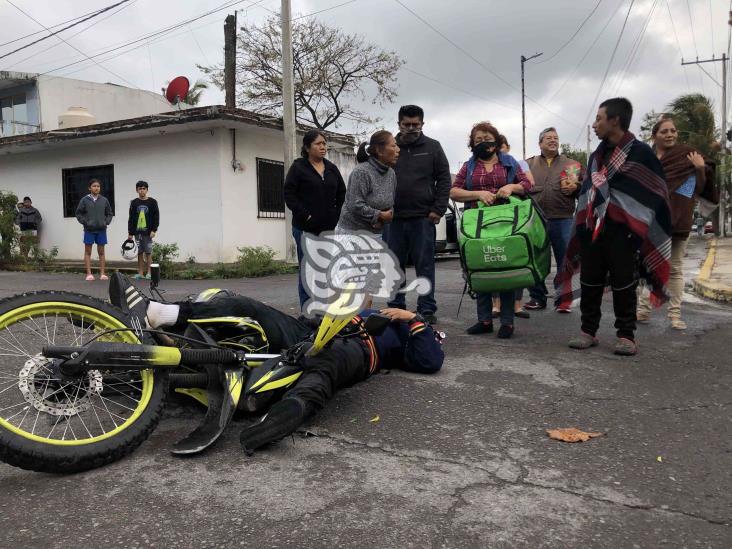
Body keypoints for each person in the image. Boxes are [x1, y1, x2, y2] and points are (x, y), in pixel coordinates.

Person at [109, 272, 444, 456]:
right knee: (249, 308)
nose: (364, 297)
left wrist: (412, 319)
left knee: (326, 364)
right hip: (306, 334)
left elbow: (430, 360)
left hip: (356, 349)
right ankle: (159, 315)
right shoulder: (351, 310)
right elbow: (309, 323)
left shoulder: (400, 327)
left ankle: (286, 414)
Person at [559, 98, 672, 356]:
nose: (595, 124)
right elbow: (592, 189)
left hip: (624, 231)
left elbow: (656, 192)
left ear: (615, 120)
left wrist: (638, 222)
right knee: (590, 281)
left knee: (624, 283)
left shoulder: (641, 153)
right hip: (592, 228)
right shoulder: (596, 156)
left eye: (599, 118)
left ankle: (626, 335)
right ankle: (588, 331)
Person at [450, 122, 533, 339]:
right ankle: (484, 320)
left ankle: (507, 322)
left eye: (487, 138)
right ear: (472, 144)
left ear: (495, 141)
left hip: (506, 223)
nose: (483, 142)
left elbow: (527, 185)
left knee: (504, 267)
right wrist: (477, 194)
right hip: (476, 225)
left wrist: (511, 187)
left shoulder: (509, 162)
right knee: (480, 267)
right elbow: (454, 191)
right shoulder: (468, 166)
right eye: (478, 140)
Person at [636, 116, 716, 330]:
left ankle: (675, 315)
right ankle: (642, 309)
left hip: (679, 220)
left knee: (676, 269)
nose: (670, 134)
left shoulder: (687, 155)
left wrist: (699, 168)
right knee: (648, 266)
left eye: (673, 130)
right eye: (665, 131)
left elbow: (696, 189)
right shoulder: (646, 158)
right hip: (651, 221)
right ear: (655, 136)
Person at [386, 105, 451, 324]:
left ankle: (427, 308)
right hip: (392, 219)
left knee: (425, 265)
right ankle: (395, 307)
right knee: (394, 266)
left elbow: (444, 179)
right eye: (407, 125)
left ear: (422, 124)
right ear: (399, 124)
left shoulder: (433, 147)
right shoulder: (388, 148)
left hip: (423, 218)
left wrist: (438, 209)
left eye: (416, 124)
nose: (412, 128)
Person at [284, 130, 347, 309]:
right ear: (307, 147)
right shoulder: (298, 167)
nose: (322, 147)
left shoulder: (331, 168)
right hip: (305, 228)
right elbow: (289, 194)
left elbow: (342, 193)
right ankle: (307, 309)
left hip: (327, 228)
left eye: (324, 144)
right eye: (318, 144)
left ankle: (323, 306)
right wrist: (305, 214)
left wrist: (335, 214)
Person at [524, 127, 584, 313]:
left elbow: (587, 189)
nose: (552, 140)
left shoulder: (572, 164)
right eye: (548, 138)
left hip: (563, 218)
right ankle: (537, 297)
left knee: (565, 260)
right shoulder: (528, 164)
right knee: (533, 260)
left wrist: (577, 186)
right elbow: (519, 186)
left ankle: (563, 300)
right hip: (535, 220)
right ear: (540, 143)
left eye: (555, 138)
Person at [492, 137, 534, 320]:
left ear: (507, 147)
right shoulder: (483, 164)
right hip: (492, 218)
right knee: (493, 260)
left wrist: (510, 187)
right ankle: (496, 306)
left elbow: (528, 184)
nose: (499, 151)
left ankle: (517, 305)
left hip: (514, 216)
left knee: (516, 260)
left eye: (502, 147)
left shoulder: (517, 163)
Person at [336, 130, 399, 236]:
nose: (398, 150)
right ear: (379, 151)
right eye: (393, 146)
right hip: (353, 233)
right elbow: (355, 205)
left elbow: (390, 202)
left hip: (376, 233)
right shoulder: (362, 172)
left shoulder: (391, 173)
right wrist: (379, 215)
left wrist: (384, 218)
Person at [75, 178, 113, 281]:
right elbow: (78, 213)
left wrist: (106, 222)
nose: (96, 188)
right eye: (94, 186)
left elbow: (109, 213)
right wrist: (86, 222)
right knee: (88, 252)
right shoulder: (84, 200)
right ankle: (89, 274)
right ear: (89, 188)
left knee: (101, 252)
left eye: (98, 186)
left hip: (101, 230)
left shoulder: (104, 200)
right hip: (89, 230)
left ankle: (102, 274)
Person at [127, 181, 160, 280]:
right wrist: (130, 232)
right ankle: (140, 273)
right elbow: (131, 218)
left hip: (148, 233)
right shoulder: (134, 202)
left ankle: (149, 272)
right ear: (137, 190)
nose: (142, 190)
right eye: (140, 188)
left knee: (148, 252)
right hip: (137, 233)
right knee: (139, 252)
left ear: (147, 190)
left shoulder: (153, 202)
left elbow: (156, 217)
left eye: (144, 188)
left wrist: (154, 230)